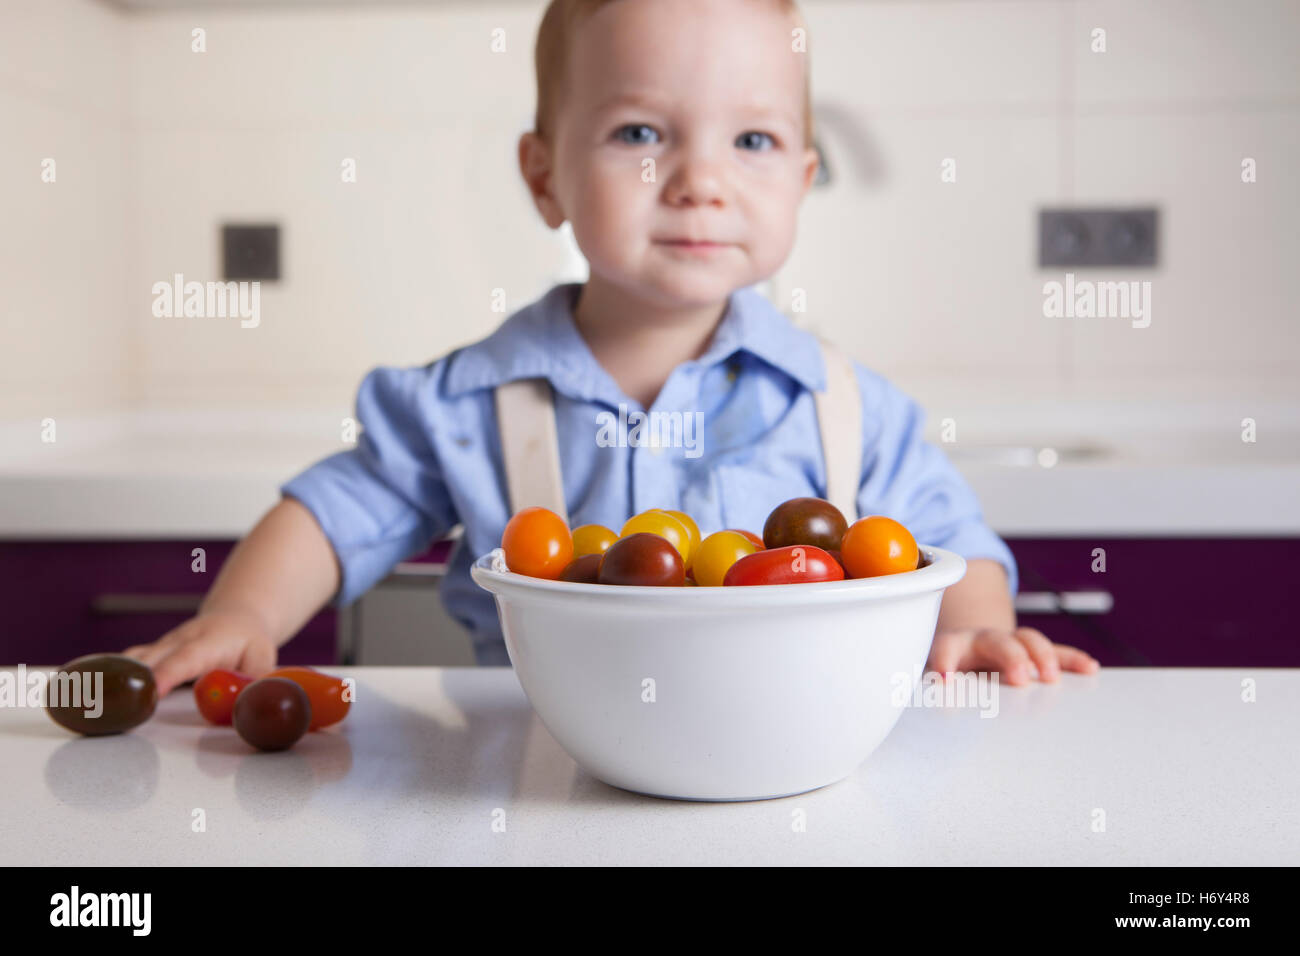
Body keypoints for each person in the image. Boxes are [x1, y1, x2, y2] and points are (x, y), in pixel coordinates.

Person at [128, 0, 1099, 697]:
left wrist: (976, 627)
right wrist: (247, 614)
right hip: (542, 767)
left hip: (784, 770)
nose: (699, 180)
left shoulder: (844, 405)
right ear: (543, 174)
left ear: (803, 179)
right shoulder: (471, 399)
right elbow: (337, 509)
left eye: (752, 141)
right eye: (640, 132)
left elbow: (952, 537)